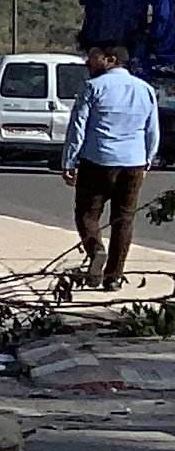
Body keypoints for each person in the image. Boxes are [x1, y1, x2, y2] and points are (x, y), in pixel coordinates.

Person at [61, 38, 162, 289]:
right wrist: (148, 159)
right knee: (123, 219)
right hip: (134, 162)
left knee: (86, 213)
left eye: (93, 56)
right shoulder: (144, 89)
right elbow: (152, 131)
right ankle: (114, 277)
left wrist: (69, 160)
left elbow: (78, 128)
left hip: (98, 160)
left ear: (110, 60)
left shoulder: (92, 87)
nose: (88, 61)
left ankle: (96, 251)